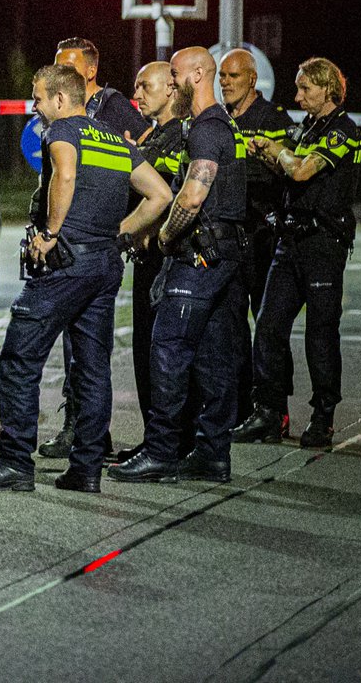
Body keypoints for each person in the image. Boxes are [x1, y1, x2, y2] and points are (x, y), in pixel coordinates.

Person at [0, 65, 170, 494]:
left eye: (38, 99)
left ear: (60, 99)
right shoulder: (115, 141)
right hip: (104, 265)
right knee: (92, 369)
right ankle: (86, 469)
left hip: (66, 262)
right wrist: (120, 233)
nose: (35, 108)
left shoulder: (62, 132)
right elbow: (160, 195)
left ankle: (15, 462)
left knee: (20, 358)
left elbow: (66, 174)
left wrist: (51, 233)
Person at [111, 48, 249, 485]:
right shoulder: (219, 125)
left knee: (168, 347)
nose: (171, 84)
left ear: (196, 75)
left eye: (174, 75)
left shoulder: (207, 128)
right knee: (213, 357)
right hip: (225, 256)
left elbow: (191, 197)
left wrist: (166, 237)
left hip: (200, 257)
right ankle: (211, 454)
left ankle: (162, 451)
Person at [234, 57, 361, 450]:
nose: (298, 95)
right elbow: (288, 170)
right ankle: (269, 412)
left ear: (328, 89)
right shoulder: (308, 128)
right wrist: (270, 156)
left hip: (323, 243)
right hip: (289, 242)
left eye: (306, 88)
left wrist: (274, 148)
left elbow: (303, 171)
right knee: (269, 326)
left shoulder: (344, 130)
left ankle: (323, 416)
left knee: (321, 334)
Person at [37, 36, 149, 459]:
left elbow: (143, 161)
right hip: (73, 239)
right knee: (76, 346)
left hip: (89, 242)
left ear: (89, 71)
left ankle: (83, 434)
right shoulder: (59, 113)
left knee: (76, 348)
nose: (58, 70)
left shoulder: (115, 108)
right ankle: (81, 432)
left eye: (67, 64)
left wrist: (122, 227)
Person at [218, 48, 294, 426]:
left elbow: (285, 170)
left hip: (263, 235)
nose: (225, 83)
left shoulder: (273, 118)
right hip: (230, 238)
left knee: (267, 325)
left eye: (232, 76)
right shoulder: (219, 119)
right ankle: (244, 404)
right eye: (221, 76)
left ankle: (274, 406)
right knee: (232, 325)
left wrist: (253, 162)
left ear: (251, 79)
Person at [122, 59, 186, 457]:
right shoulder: (153, 134)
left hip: (165, 259)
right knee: (145, 352)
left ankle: (170, 443)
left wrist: (141, 236)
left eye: (146, 86)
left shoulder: (183, 137)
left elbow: (175, 197)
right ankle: (154, 440)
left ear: (171, 90)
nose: (138, 94)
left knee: (163, 355)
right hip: (146, 261)